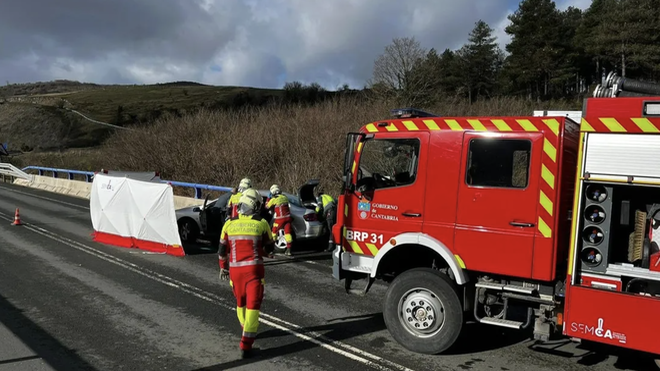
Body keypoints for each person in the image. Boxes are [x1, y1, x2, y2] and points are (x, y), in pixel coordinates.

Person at [218, 188, 274, 359]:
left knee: (240, 302)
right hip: (254, 272)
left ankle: (245, 329)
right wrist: (263, 252)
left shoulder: (229, 224)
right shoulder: (261, 223)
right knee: (253, 306)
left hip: (235, 273)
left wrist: (223, 267)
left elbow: (222, 251)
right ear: (255, 205)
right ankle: (246, 345)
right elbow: (269, 248)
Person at [265, 184, 293, 256]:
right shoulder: (285, 197)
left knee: (274, 232)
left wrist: (268, 198)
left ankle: (270, 248)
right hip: (288, 218)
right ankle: (289, 249)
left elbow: (267, 206)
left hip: (280, 219)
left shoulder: (274, 199)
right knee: (287, 233)